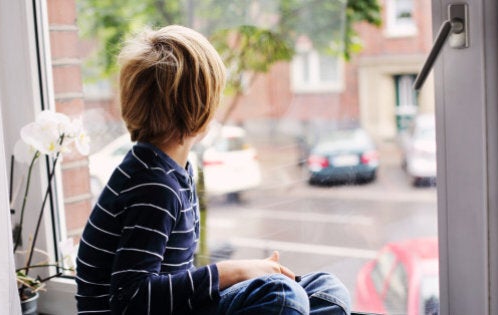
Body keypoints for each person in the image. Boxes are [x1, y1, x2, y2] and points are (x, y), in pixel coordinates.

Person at [75, 25, 352, 315]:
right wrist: (232, 272)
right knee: (282, 296)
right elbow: (130, 300)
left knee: (326, 289)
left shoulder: (169, 170)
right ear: (201, 109)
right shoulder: (154, 187)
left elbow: (171, 279)